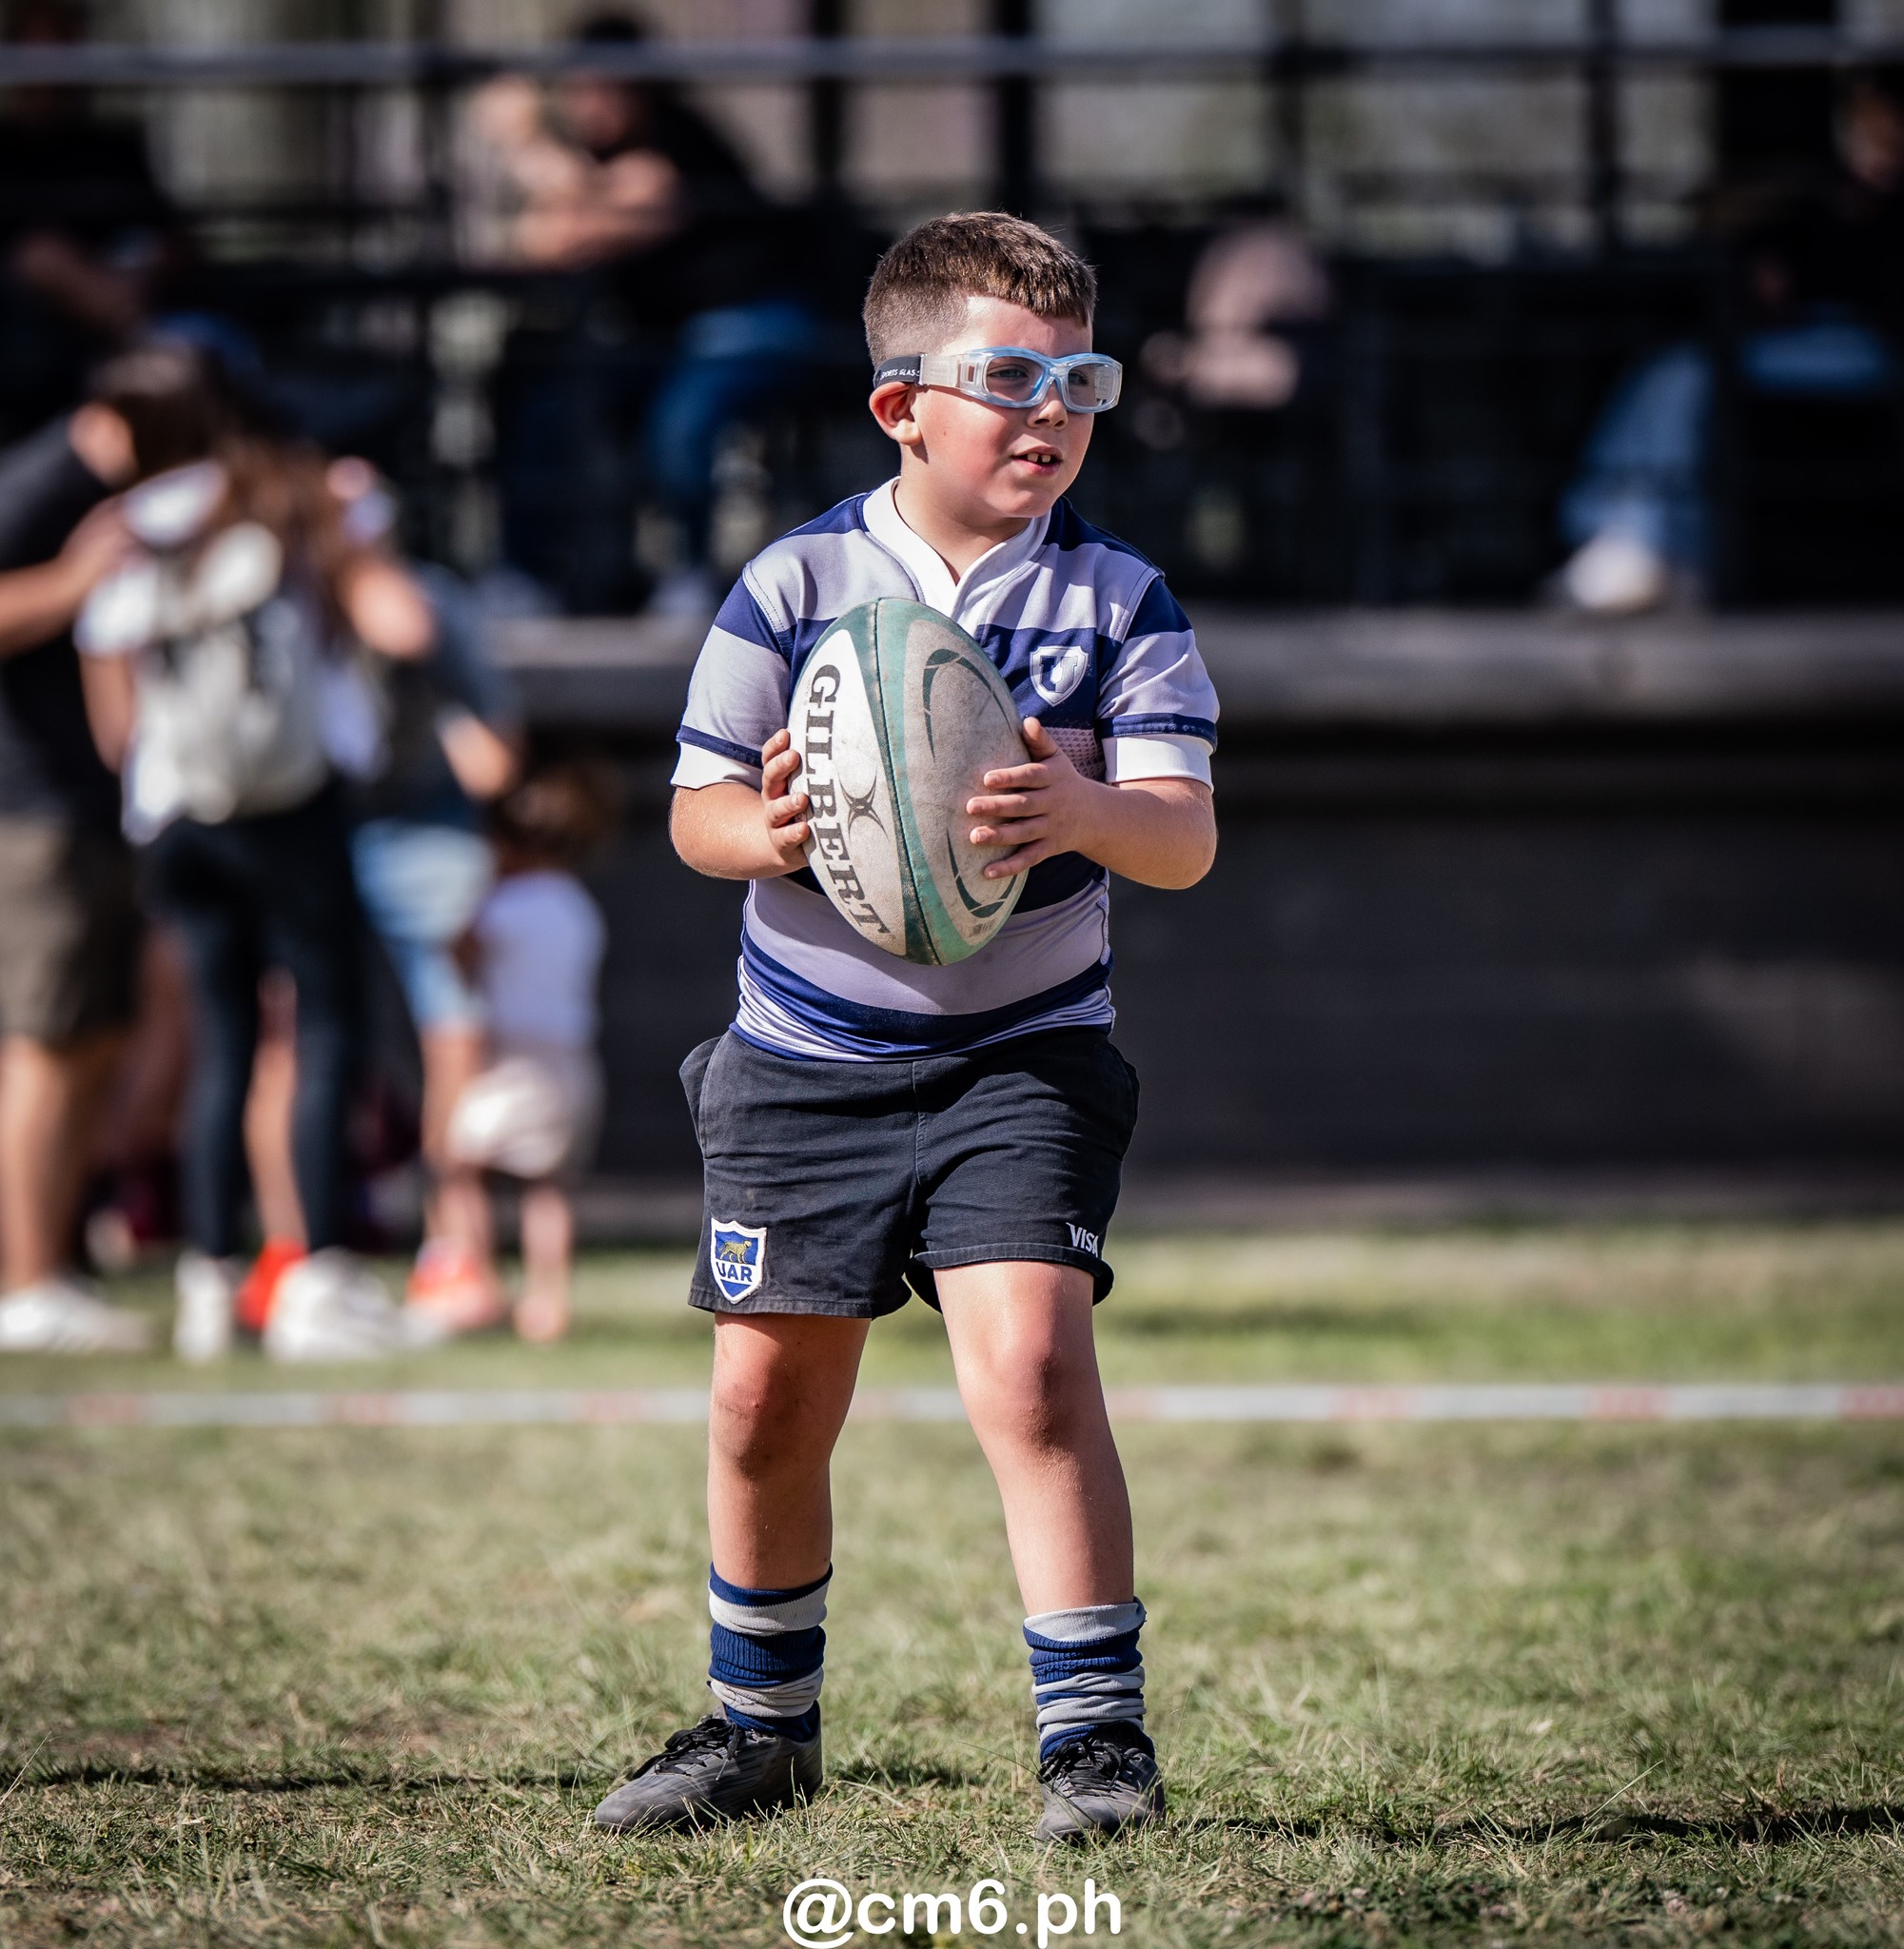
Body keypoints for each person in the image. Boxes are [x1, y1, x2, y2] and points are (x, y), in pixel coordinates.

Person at [589, 213, 1218, 1841]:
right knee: (764, 1400)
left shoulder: (1120, 595)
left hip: (1024, 1058)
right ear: (899, 407)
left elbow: (1182, 836)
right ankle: (757, 1725)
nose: (1050, 412)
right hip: (801, 1062)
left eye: (1080, 378)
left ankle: (1094, 1739)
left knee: (1028, 1366)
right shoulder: (792, 581)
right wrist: (778, 829)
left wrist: (1085, 803)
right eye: (1005, 377)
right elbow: (695, 814)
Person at [71, 345, 443, 1364]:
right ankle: (318, 1276)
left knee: (221, 1042)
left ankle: (209, 1278)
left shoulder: (121, 531)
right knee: (328, 1026)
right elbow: (402, 626)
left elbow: (113, 727)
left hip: (177, 814)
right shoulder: (300, 494)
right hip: (294, 802)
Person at [475, 10, 815, 615]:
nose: (591, 104)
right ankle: (532, 573)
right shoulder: (589, 159)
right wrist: (559, 181)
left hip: (757, 320)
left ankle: (689, 577)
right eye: (578, 89)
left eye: (608, 87)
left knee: (680, 423)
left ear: (643, 89)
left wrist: (526, 144)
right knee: (546, 399)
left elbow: (620, 217)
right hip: (672, 337)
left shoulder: (676, 135)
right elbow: (540, 243)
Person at [1554, 67, 1904, 613]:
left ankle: (1641, 544)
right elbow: (1775, 260)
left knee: (1686, 376)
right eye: (1863, 125)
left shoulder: (1884, 209)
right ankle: (1635, 540)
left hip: (1870, 349)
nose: (1871, 140)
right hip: (1810, 339)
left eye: (1882, 125)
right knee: (1673, 373)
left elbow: (1869, 289)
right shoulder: (1829, 198)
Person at [0, 399, 152, 1352]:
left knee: (90, 1041)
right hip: (33, 815)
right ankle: (23, 1281)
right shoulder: (39, 480)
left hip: (91, 813)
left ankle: (52, 1266)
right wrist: (76, 578)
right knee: (41, 1048)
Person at [430, 758, 612, 1344]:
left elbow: (458, 954)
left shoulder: (504, 905)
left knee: (458, 1166)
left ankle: (474, 1280)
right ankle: (548, 1300)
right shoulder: (579, 905)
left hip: (513, 1060)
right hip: (572, 1058)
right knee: (547, 1185)